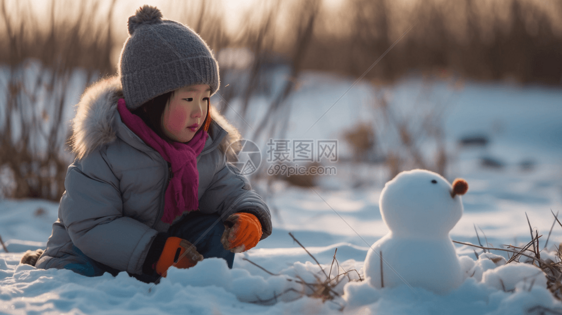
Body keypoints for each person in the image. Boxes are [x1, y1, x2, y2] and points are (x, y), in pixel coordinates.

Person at [22, 5, 272, 284]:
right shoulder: (105, 149)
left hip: (164, 257)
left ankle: (205, 286)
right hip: (95, 253)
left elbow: (228, 189)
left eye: (205, 98)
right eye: (188, 99)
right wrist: (155, 252)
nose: (199, 111)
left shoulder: (205, 149)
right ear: (150, 102)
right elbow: (90, 224)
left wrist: (248, 214)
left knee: (214, 230)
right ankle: (53, 266)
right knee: (76, 276)